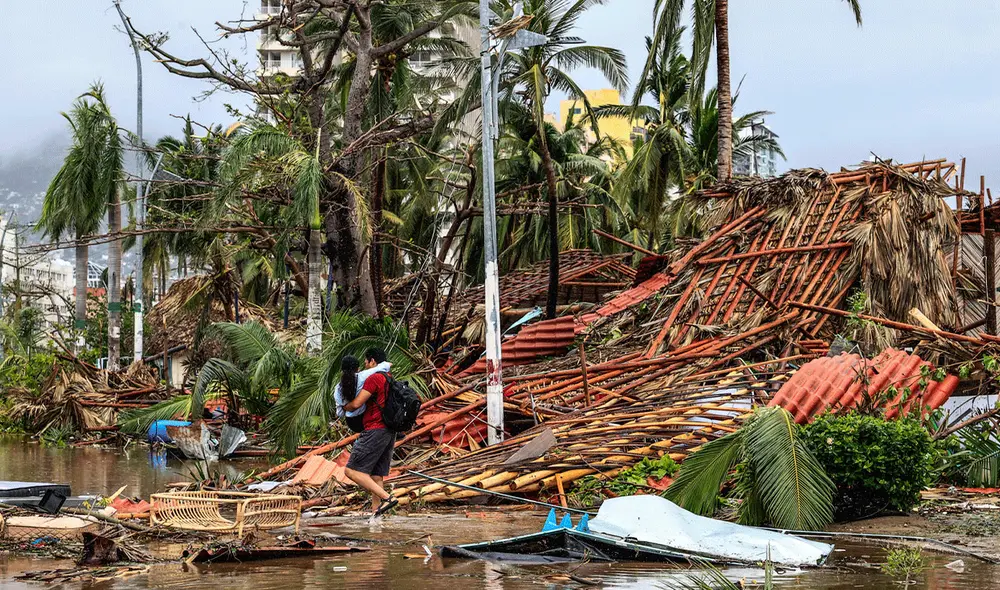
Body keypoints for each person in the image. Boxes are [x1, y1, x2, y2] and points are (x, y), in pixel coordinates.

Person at [343, 347, 399, 518]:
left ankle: (387, 498)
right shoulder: (389, 377)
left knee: (351, 471)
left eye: (366, 362)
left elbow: (357, 404)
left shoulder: (374, 378)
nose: (365, 366)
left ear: (373, 361)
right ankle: (377, 515)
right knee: (376, 475)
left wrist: (343, 407)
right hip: (389, 430)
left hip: (375, 429)